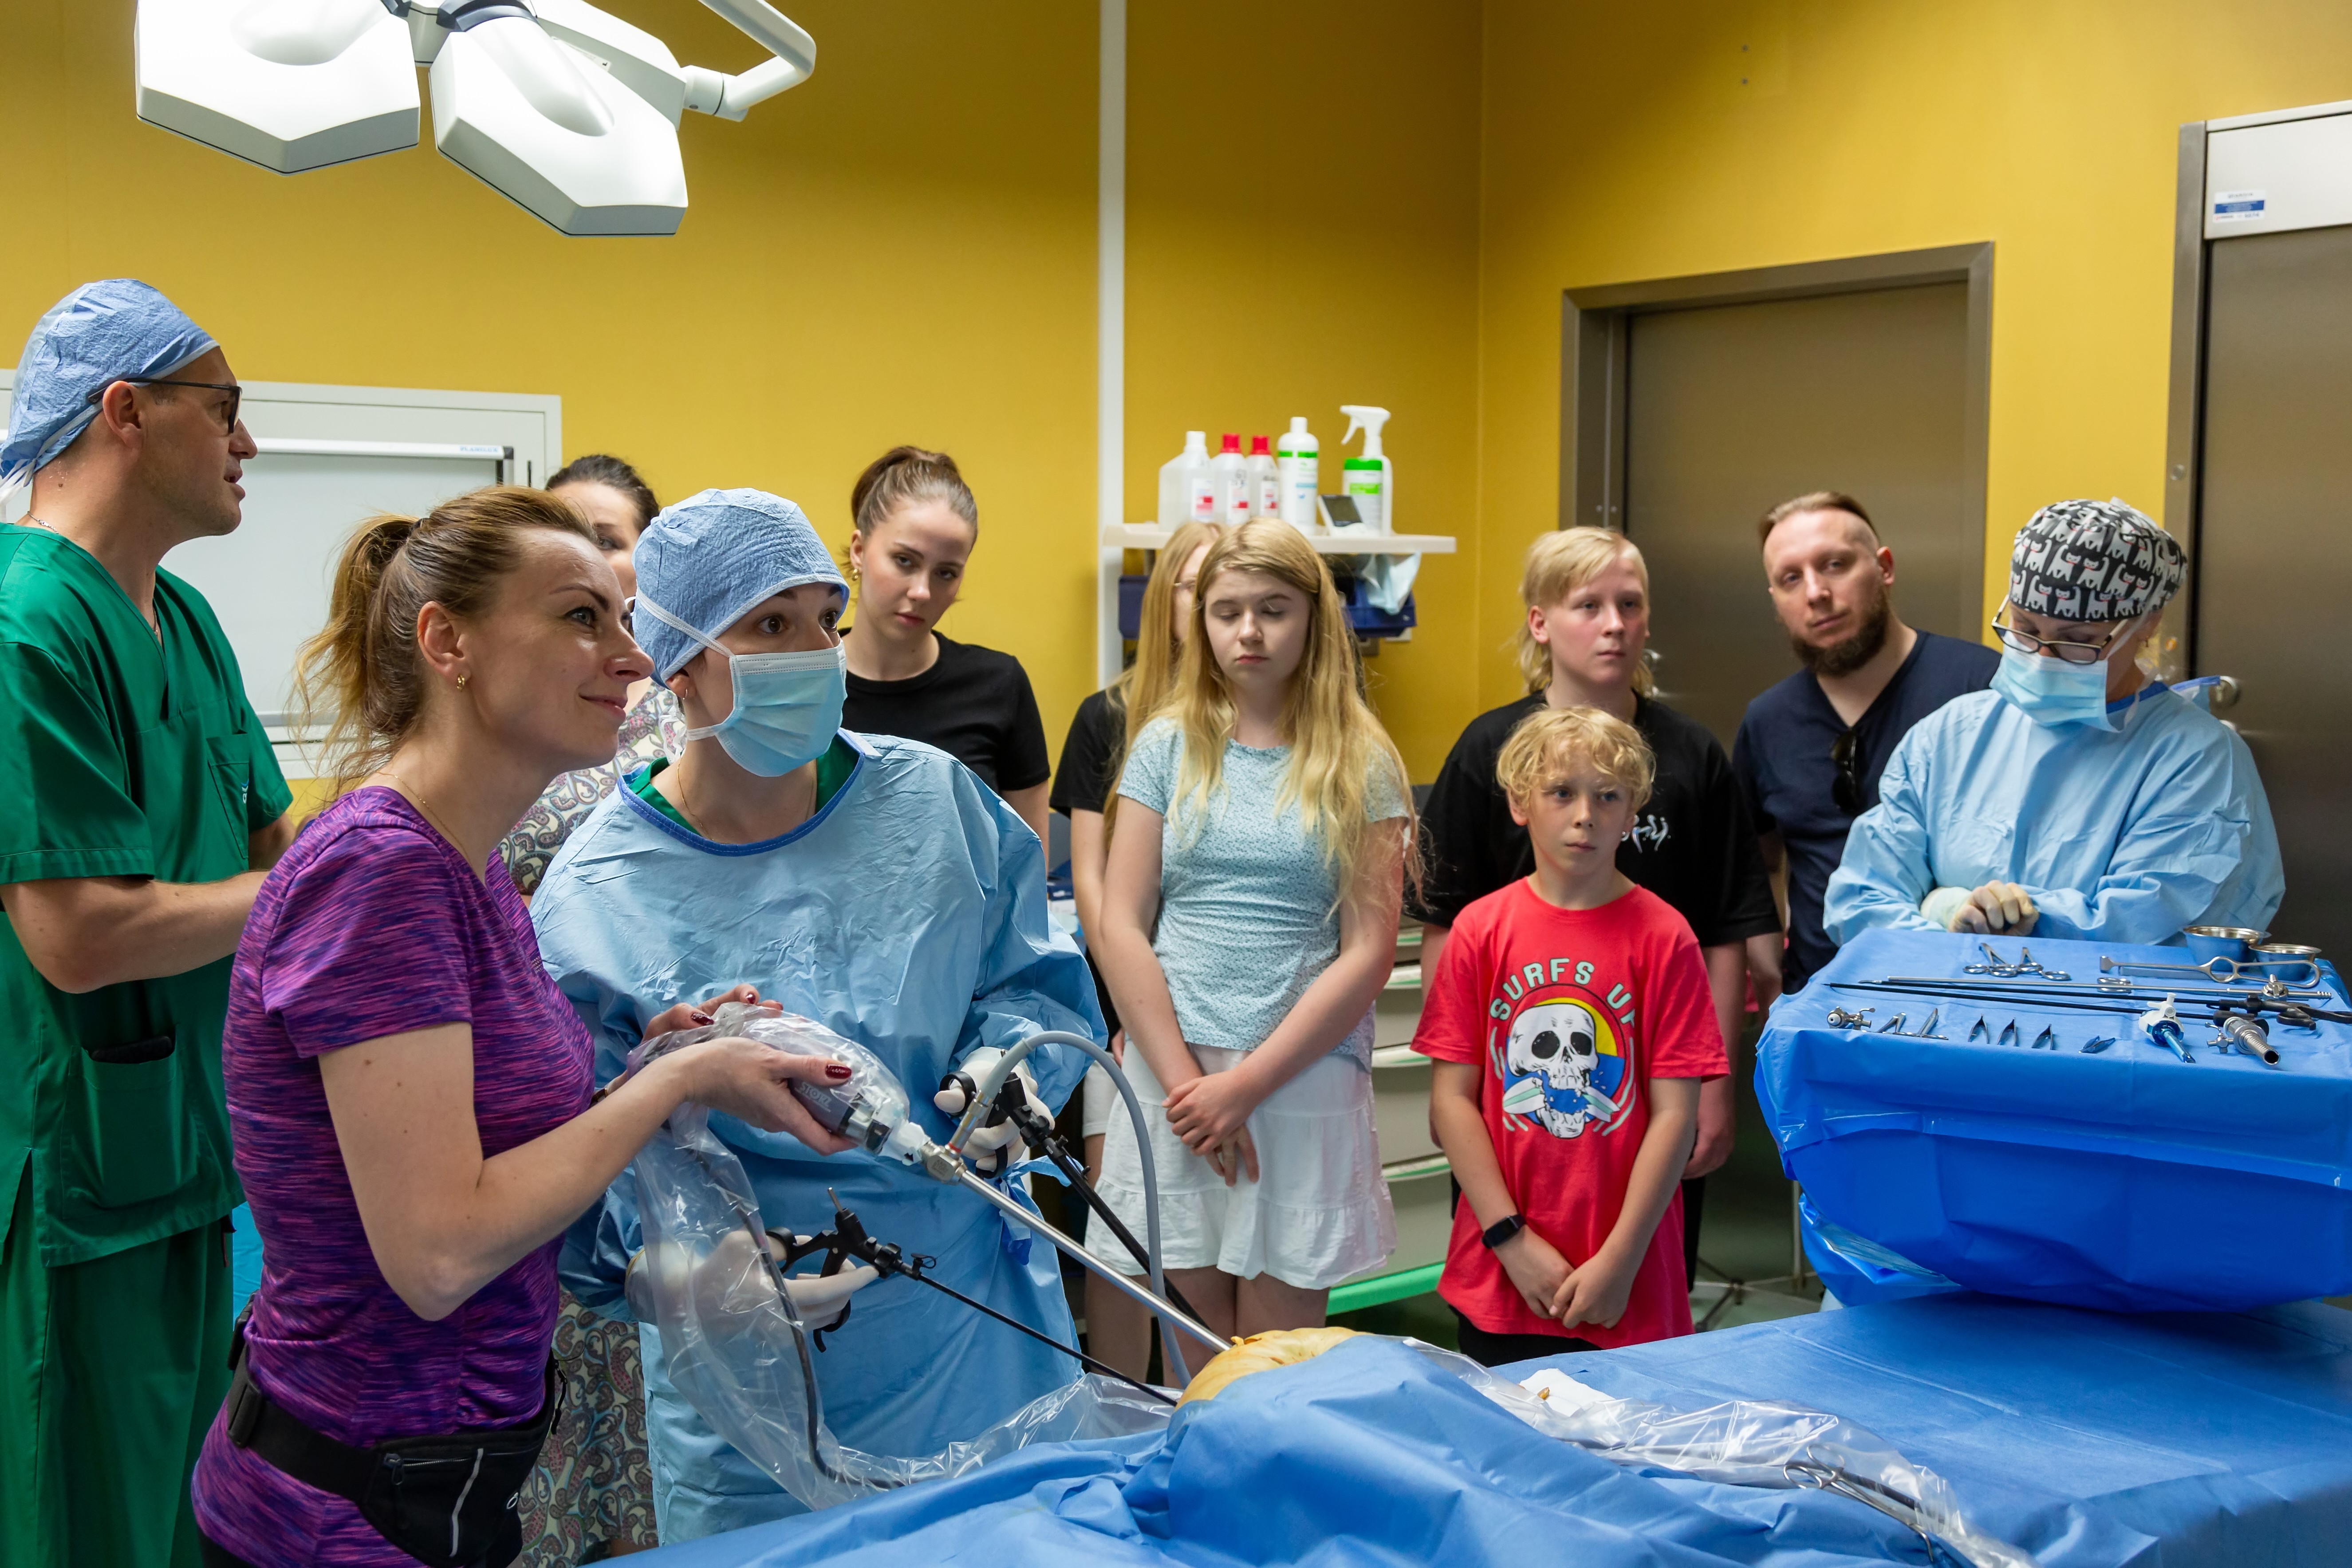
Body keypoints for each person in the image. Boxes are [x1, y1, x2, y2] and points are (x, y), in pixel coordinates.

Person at [189, 487, 853, 1567]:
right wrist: (673, 1085)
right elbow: (439, 1250)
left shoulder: (468, 866)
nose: (631, 660)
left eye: (625, 620)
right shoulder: (381, 875)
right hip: (342, 1510)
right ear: (447, 642)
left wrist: (656, 1060)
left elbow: (482, 1136)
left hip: (446, 1483)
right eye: (581, 617)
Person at [531, 489, 1101, 1541]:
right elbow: (564, 1152)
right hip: (754, 1385)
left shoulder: (935, 805)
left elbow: (1031, 983)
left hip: (973, 1334)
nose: (814, 652)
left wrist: (1010, 1075)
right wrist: (674, 1278)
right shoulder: (594, 896)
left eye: (824, 620)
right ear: (678, 660)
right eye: (770, 624)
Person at [0, 279, 296, 1568]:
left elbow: (271, 844)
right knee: (81, 1521)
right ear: (125, 410)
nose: (247, 442)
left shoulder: (188, 622)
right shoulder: (25, 625)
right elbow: (81, 934)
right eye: (225, 408)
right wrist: (335, 883)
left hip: (191, 1161)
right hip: (72, 1178)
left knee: (187, 1521)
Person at [1411, 528, 1776, 1292]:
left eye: (1630, 605)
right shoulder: (1490, 749)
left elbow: (1723, 930)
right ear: (1541, 621)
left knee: (1639, 1284)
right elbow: (1447, 922)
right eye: (1589, 606)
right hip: (1513, 1095)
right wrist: (1459, 1088)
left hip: (1659, 1089)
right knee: (1510, 1288)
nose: (1614, 624)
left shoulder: (1691, 754)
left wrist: (1714, 1086)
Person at [1094, 520, 1411, 1345]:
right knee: (1194, 1359)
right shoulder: (1165, 744)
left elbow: (1369, 951)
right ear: (1200, 620)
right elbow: (1122, 922)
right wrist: (1188, 1089)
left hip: (1297, 1078)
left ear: (1313, 618)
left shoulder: (1360, 758)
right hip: (1177, 1075)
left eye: (1273, 609)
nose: (1249, 631)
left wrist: (1245, 1087)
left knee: (1275, 1362)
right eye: (1227, 610)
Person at [1824, 497, 2283, 946]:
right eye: (2025, 629)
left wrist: (1966, 917)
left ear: (2147, 622)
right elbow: (1862, 900)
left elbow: (2147, 929)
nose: (2043, 657)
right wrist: (1949, 921)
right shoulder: (1949, 736)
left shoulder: (2197, 759)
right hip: (1933, 996)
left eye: (2077, 641)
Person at [1414, 706, 1722, 1367]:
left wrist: (1622, 1257)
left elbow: (1675, 1116)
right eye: (1561, 792)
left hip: (1627, 1279)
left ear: (1633, 812)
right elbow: (1452, 1101)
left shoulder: (1666, 937)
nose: (1585, 815)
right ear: (1520, 803)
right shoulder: (1479, 931)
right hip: (1503, 1273)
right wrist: (1510, 1240)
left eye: (1607, 796)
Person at [499, 451, 674, 1563]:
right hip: (526, 1086)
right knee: (546, 1378)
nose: (593, 561)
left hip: (644, 1082)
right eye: (566, 537)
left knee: (648, 1366)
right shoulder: (512, 719)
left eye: (612, 540)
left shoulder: (678, 721)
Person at [1048, 518, 1220, 1379]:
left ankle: (1213, 1406)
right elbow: (1091, 882)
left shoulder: (1261, 724)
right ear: (1165, 600)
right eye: (1197, 584)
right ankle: (1118, 1408)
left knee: (1213, 1239)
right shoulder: (1110, 718)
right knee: (1119, 1227)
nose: (1219, 604)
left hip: (1226, 1016)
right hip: (1119, 1009)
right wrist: (1128, 1007)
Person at [1733, 492, 1997, 993]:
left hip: (1961, 993)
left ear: (1884, 568)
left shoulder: (1980, 688)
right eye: (1791, 578)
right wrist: (1770, 977)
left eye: (1834, 565)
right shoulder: (1767, 722)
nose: (1816, 593)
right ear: (1776, 601)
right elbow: (1759, 866)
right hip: (1820, 1000)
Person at [837, 446, 1053, 842]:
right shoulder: (800, 680)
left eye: (946, 573)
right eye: (904, 560)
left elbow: (1027, 862)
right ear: (859, 551)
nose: (922, 591)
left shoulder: (998, 684)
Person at [502, 454, 684, 899]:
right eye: (562, 537)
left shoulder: (687, 698)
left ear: (650, 562)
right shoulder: (495, 692)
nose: (582, 555)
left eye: (604, 540)